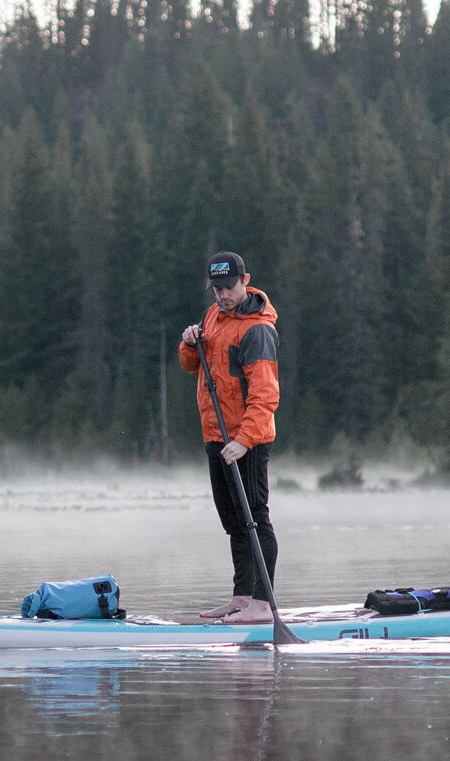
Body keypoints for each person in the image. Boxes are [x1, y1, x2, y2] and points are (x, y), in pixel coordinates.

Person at [178, 252, 281, 624]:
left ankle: (263, 604)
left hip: (245, 440)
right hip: (215, 434)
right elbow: (192, 366)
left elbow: (266, 395)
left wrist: (244, 440)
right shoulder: (212, 317)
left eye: (228, 287)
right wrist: (190, 343)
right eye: (217, 289)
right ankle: (241, 596)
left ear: (245, 280)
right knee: (233, 520)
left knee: (256, 518)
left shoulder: (258, 329)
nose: (222, 295)